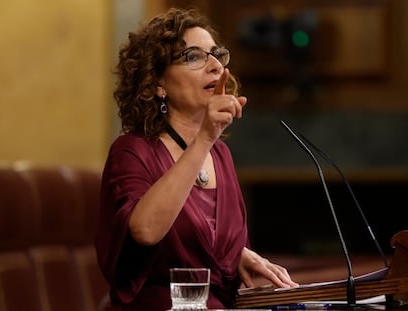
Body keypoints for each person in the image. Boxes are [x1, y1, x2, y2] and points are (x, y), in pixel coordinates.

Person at [95, 7, 298, 311]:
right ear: (156, 84)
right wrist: (204, 137)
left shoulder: (220, 154)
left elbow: (199, 240)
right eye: (193, 57)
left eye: (216, 55)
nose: (215, 66)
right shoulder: (132, 151)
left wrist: (237, 254)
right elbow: (145, 230)